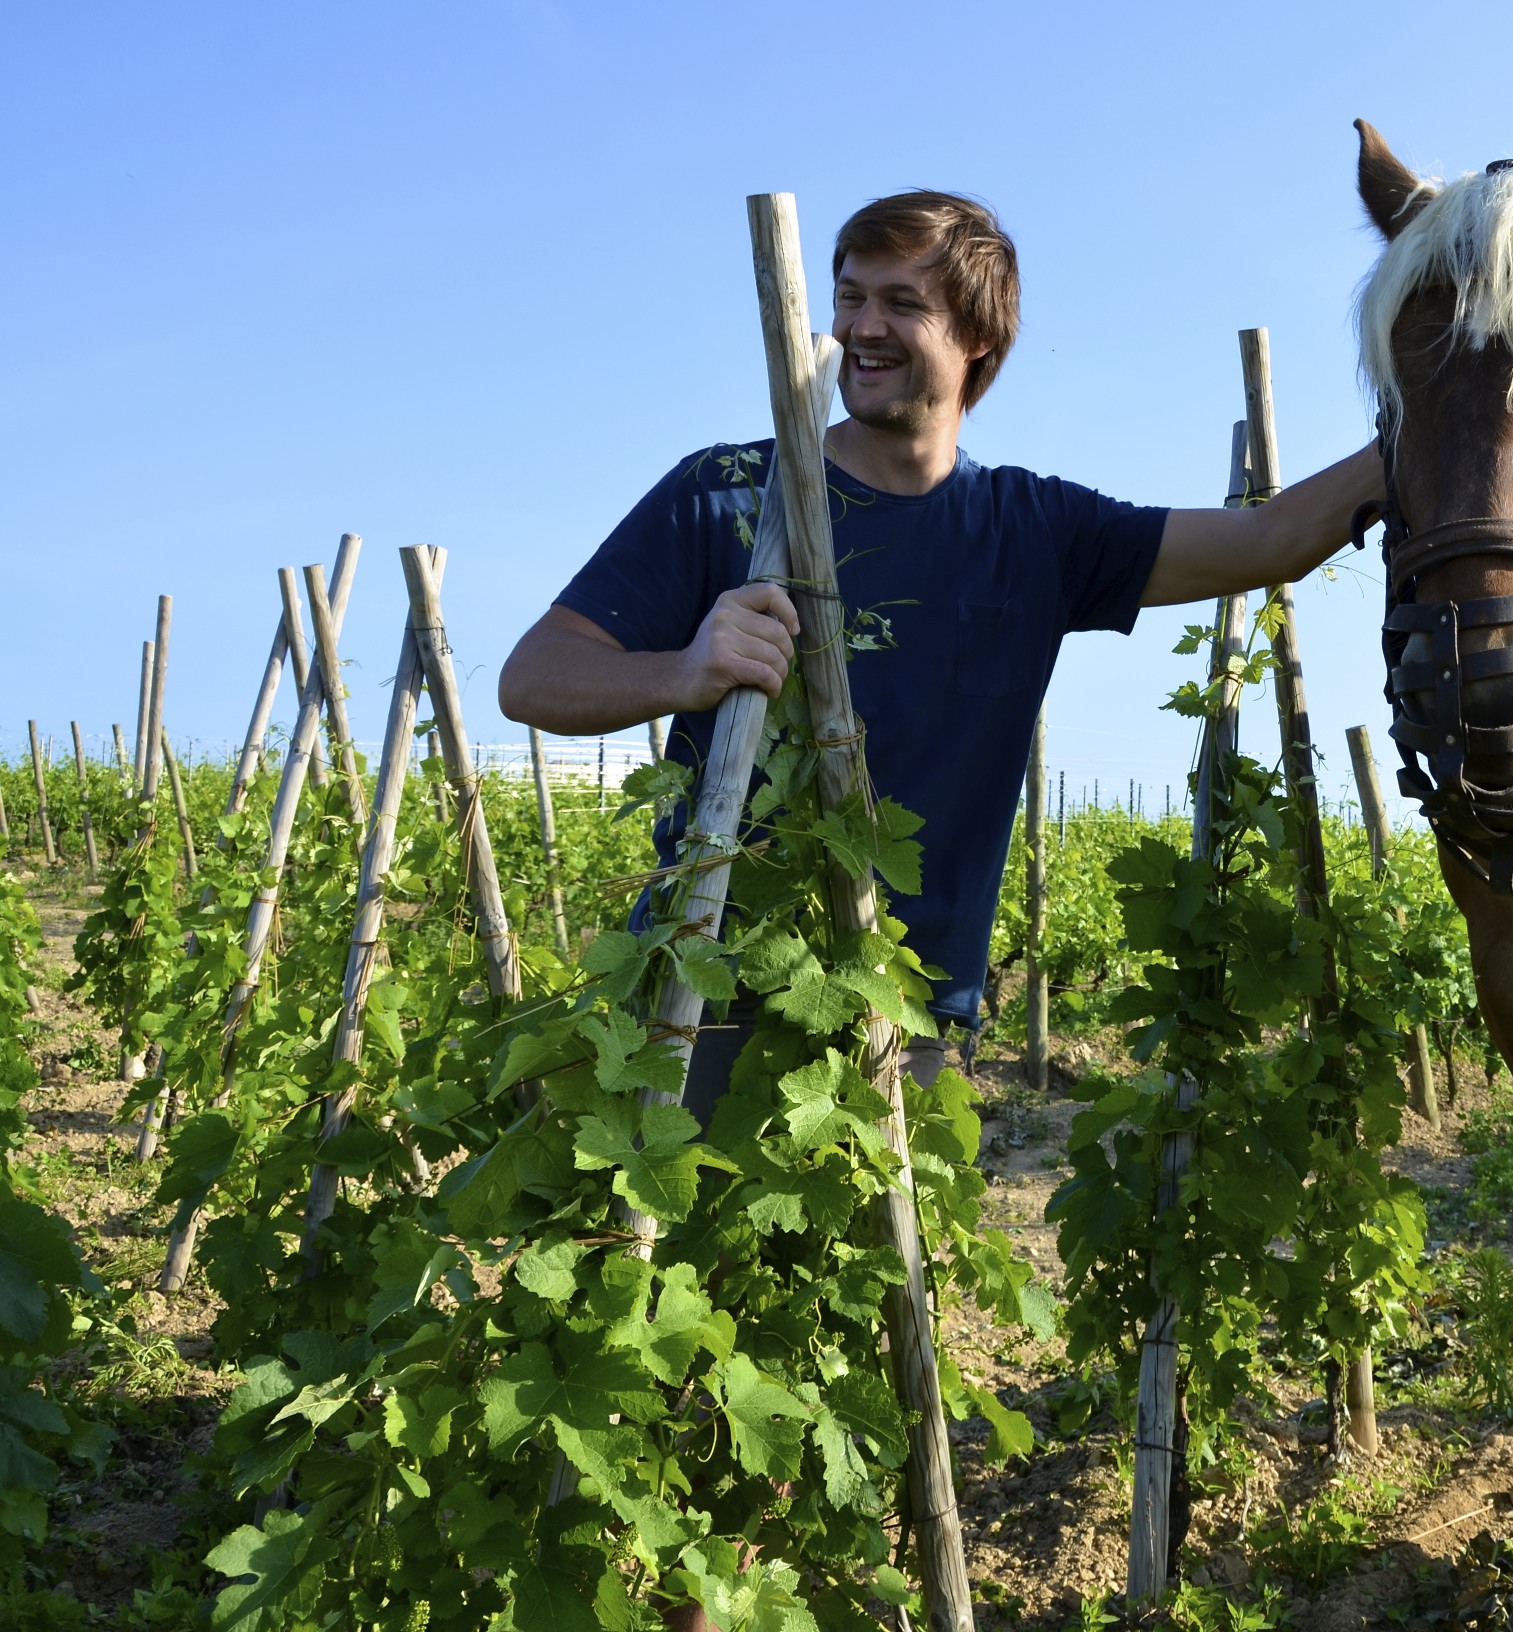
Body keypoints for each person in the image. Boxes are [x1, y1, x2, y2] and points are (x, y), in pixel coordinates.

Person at [500, 189, 1377, 1114]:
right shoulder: (724, 493)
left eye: (902, 304)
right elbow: (532, 677)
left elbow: (1272, 538)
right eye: (849, 297)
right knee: (686, 1245)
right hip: (710, 989)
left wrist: (1435, 434)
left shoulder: (1033, 530)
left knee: (878, 1256)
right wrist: (684, 670)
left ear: (978, 344)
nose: (862, 328)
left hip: (910, 1010)